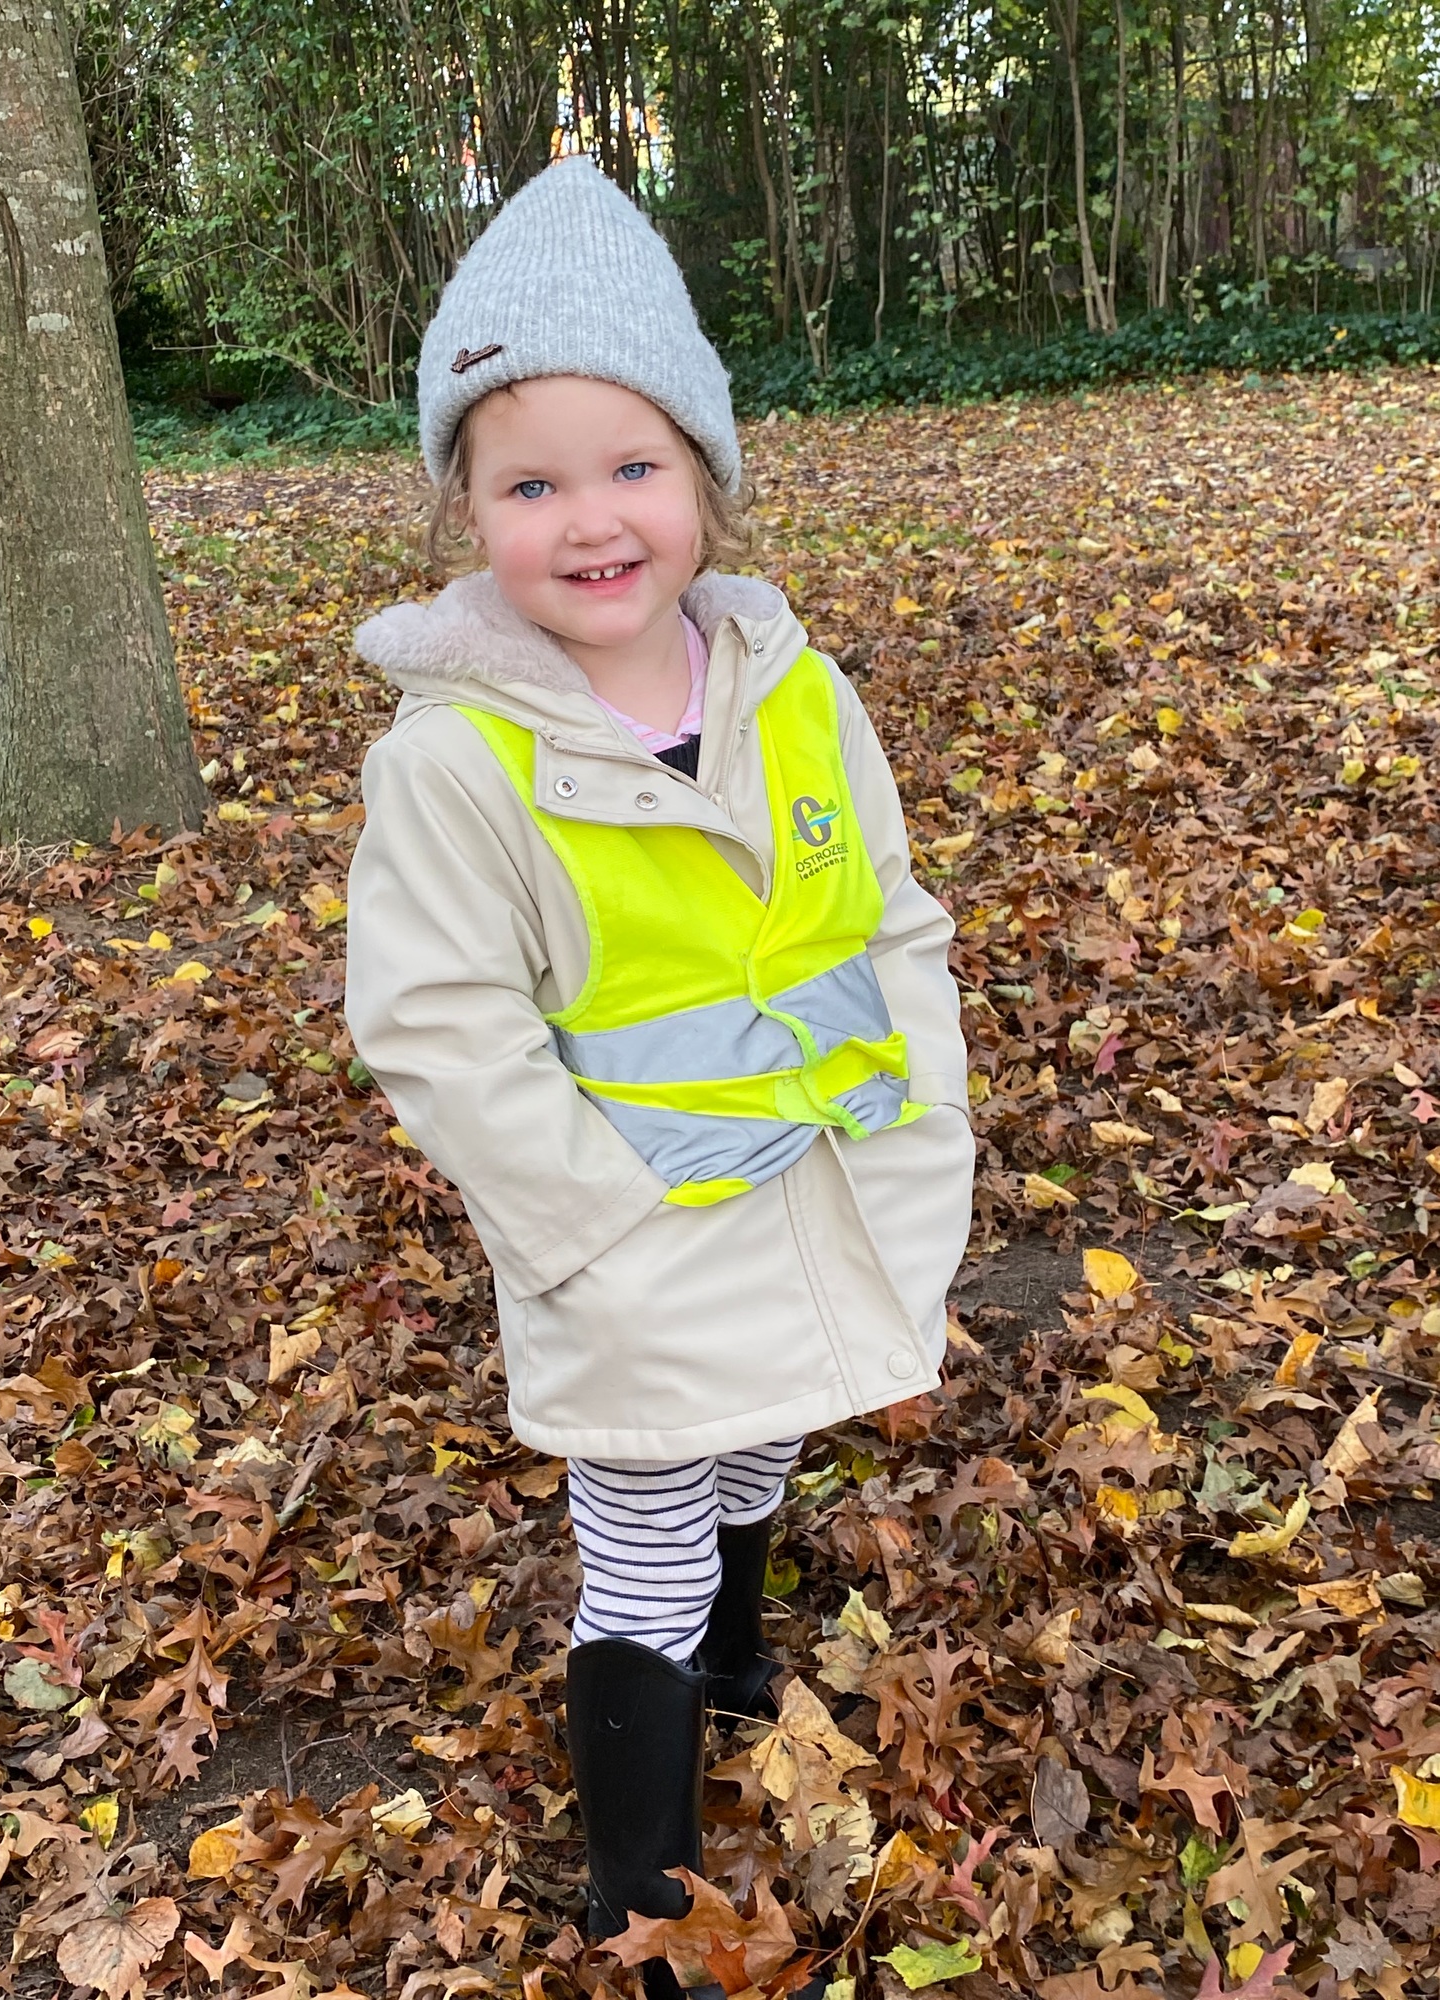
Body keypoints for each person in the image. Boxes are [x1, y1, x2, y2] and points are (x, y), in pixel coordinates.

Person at [344, 157, 975, 1996]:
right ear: (468, 510)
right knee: (642, 1534)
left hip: (817, 1178)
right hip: (628, 1230)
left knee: (766, 1430)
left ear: (703, 476)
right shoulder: (458, 759)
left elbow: (892, 917)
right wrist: (595, 1231)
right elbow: (441, 1022)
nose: (592, 521)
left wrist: (927, 1113)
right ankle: (641, 1889)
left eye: (632, 466)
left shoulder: (796, 690)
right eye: (530, 484)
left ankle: (742, 1651)